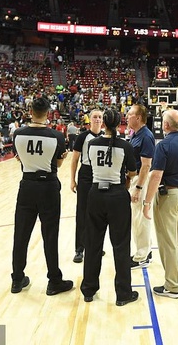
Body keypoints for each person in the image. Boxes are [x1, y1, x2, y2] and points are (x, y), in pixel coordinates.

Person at [11, 96, 73, 296]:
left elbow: (19, 158)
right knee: (50, 234)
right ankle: (54, 280)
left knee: (21, 234)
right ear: (48, 113)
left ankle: (17, 278)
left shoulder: (17, 134)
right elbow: (58, 164)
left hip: (26, 185)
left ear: (30, 111)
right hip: (48, 186)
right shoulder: (56, 136)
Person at [80, 109, 139, 305]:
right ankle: (123, 294)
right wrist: (126, 180)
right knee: (121, 246)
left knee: (93, 244)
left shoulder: (92, 143)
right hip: (117, 196)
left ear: (103, 123)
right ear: (119, 123)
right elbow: (132, 171)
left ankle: (88, 289)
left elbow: (90, 166)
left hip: (96, 194)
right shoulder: (125, 146)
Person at [143, 109, 178, 299]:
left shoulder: (164, 145)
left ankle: (172, 286)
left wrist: (147, 202)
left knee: (168, 241)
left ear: (165, 125)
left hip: (170, 195)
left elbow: (156, 175)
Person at [70, 109, 103, 263]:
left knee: (98, 213)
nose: (97, 119)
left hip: (100, 174)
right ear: (90, 119)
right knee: (82, 212)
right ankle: (79, 248)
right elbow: (74, 160)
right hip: (85, 173)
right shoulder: (82, 137)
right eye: (95, 117)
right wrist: (72, 179)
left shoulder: (105, 136)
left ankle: (95, 246)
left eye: (100, 117)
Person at [126, 104, 155, 269]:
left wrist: (138, 187)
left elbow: (146, 165)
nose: (127, 117)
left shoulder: (145, 136)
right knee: (137, 218)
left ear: (138, 117)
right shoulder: (136, 135)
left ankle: (142, 256)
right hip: (136, 179)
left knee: (140, 218)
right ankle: (146, 251)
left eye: (130, 114)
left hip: (141, 180)